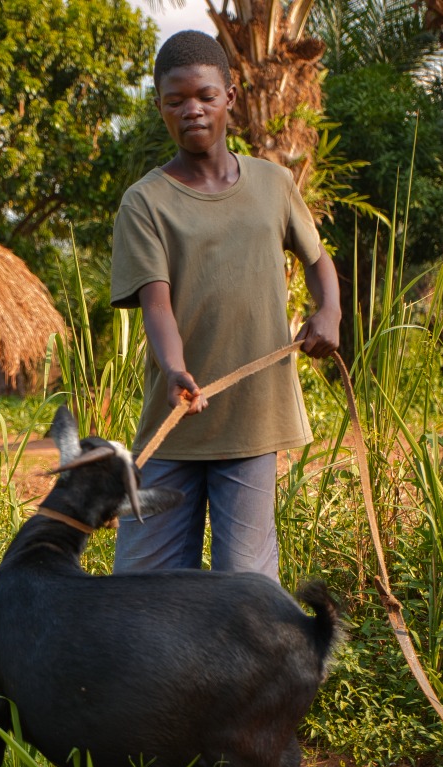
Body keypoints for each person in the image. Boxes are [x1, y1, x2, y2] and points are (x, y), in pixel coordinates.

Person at [109, 29, 341, 583]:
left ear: (230, 98)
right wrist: (174, 370)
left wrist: (327, 311)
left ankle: (249, 673)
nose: (192, 110)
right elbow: (156, 304)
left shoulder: (273, 184)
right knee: (145, 586)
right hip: (175, 422)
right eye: (176, 100)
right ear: (161, 108)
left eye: (205, 96)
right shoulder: (146, 202)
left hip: (252, 423)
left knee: (247, 587)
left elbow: (317, 259)